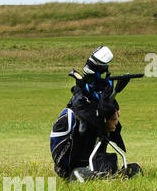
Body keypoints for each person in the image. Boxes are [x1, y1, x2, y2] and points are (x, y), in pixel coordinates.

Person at [50, 47, 143, 180]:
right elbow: (87, 114)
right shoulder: (80, 100)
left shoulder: (100, 94)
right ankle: (83, 173)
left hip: (89, 156)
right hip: (69, 164)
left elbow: (110, 116)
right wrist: (102, 122)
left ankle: (102, 171)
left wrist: (110, 116)